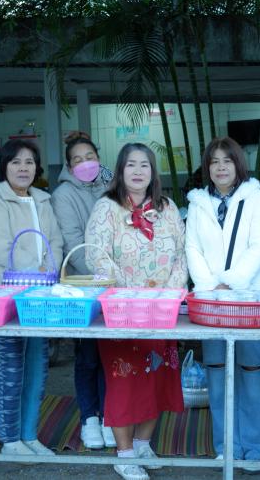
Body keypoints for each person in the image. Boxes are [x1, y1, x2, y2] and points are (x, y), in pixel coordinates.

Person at [85, 143, 187, 480]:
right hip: (122, 311)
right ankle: (124, 454)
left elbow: (182, 253)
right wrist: (129, 295)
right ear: (120, 170)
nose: (138, 171)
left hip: (161, 310)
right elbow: (96, 255)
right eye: (131, 164)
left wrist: (167, 295)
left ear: (153, 171)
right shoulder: (106, 207)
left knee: (157, 377)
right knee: (124, 381)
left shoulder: (167, 208)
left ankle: (143, 445)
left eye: (145, 165)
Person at [185, 137, 260, 473]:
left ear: (238, 164)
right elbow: (192, 248)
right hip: (211, 303)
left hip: (250, 300)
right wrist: (210, 286)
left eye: (227, 160)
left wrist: (232, 281)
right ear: (206, 167)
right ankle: (227, 448)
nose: (220, 167)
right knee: (218, 375)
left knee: (252, 372)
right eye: (214, 161)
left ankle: (258, 449)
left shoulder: (256, 198)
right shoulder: (197, 203)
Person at [0, 139, 63, 458]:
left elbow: (56, 241)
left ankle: (29, 434)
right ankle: (10, 440)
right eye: (16, 162)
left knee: (37, 367)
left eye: (29, 162)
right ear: (4, 166)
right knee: (10, 368)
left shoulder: (43, 199)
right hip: (5, 296)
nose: (23, 168)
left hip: (40, 296)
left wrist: (49, 269)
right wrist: (38, 268)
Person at [50, 135, 116, 449]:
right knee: (88, 356)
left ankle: (109, 416)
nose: (85, 162)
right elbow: (72, 241)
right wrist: (102, 274)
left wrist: (116, 276)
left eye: (90, 156)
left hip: (115, 286)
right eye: (77, 159)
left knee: (111, 355)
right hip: (84, 286)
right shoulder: (63, 195)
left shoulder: (112, 185)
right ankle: (90, 417)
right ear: (68, 165)